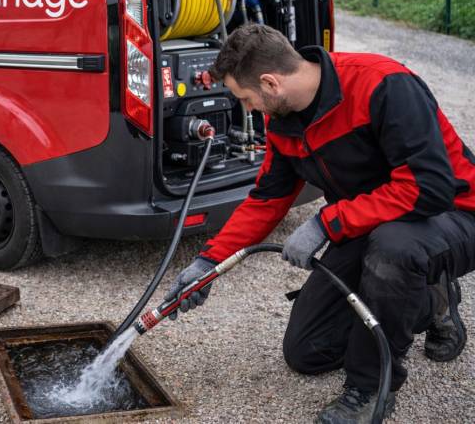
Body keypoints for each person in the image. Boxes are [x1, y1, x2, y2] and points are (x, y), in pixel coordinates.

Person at [166, 24, 475, 423]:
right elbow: (267, 198)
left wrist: (328, 224)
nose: (249, 111)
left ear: (270, 83)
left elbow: (429, 188)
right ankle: (428, 297)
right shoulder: (284, 121)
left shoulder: (382, 84)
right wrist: (209, 263)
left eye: (246, 99)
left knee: (395, 251)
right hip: (373, 225)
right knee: (308, 351)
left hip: (450, 215)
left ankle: (370, 390)